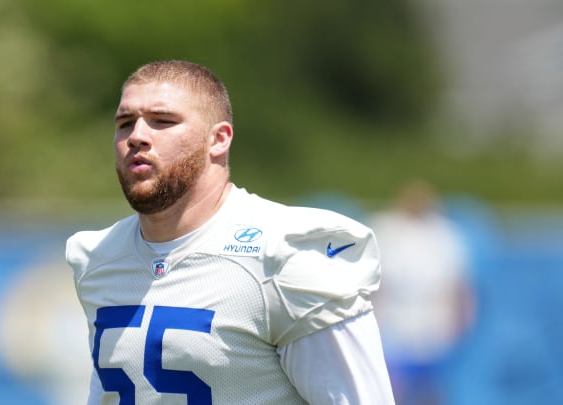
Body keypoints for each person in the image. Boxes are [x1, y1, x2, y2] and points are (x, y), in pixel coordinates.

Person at [66, 60, 394, 404]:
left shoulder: (284, 254)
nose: (137, 136)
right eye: (125, 123)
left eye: (162, 121)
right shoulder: (99, 258)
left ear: (218, 139)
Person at [369, 179, 475, 405]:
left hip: (435, 326)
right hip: (394, 327)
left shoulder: (444, 234)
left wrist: (461, 325)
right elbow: (375, 284)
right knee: (390, 390)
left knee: (432, 391)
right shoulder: (385, 229)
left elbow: (459, 285)